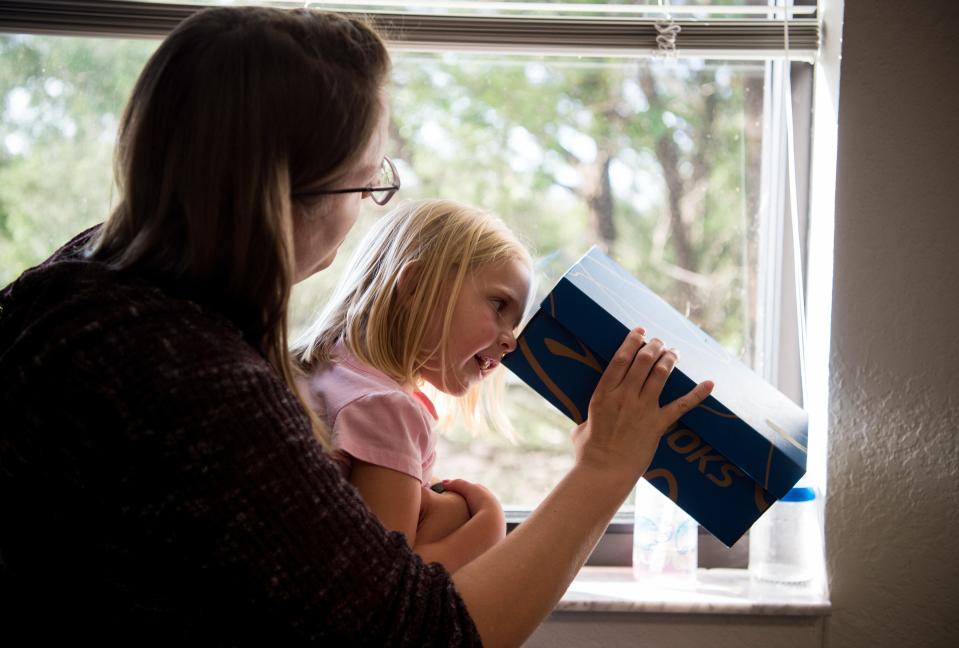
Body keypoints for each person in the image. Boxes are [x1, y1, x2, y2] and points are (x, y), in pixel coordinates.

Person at [0, 6, 713, 646]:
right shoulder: (191, 379)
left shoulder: (78, 285)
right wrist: (604, 468)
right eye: (368, 183)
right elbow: (418, 637)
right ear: (283, 193)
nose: (367, 206)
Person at [294, 198, 532, 573]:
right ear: (416, 286)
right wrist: (486, 531)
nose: (511, 340)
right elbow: (384, 582)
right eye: (499, 305)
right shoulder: (387, 408)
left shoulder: (328, 373)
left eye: (515, 323)